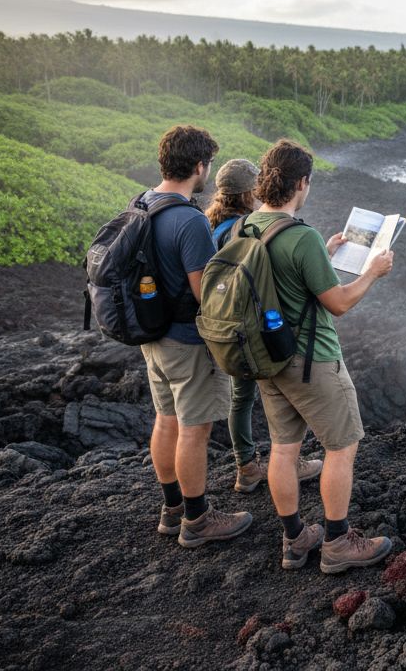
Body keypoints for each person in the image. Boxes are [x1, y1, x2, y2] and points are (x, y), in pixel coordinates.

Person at [244, 139, 395, 573]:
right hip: (312, 359)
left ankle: (294, 541)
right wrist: (373, 272)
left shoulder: (250, 226)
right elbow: (339, 302)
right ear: (302, 183)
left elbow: (279, 278)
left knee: (283, 449)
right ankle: (337, 543)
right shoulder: (301, 236)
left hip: (267, 358)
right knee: (342, 447)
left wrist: (325, 254)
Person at [141, 125, 252, 548]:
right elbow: (206, 292)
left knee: (165, 419)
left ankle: (172, 510)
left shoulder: (145, 203)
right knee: (194, 430)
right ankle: (197, 518)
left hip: (153, 336)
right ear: (200, 165)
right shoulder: (188, 219)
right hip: (187, 342)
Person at [204, 157, 323, 493]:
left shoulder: (214, 227)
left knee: (241, 399)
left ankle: (246, 465)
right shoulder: (242, 228)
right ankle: (285, 463)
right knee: (277, 394)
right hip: (251, 329)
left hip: (223, 326)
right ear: (248, 192)